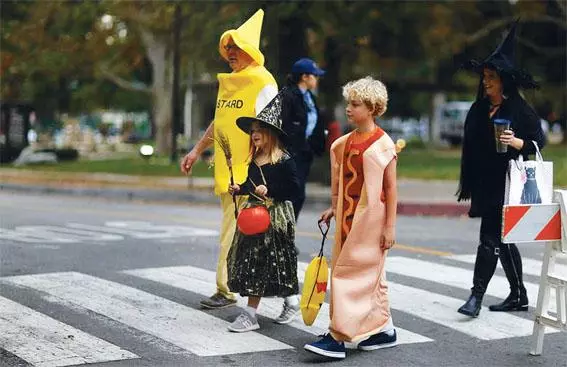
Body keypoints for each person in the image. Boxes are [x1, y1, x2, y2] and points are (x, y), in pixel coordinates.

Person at [180, 9, 278, 310]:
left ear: (250, 49)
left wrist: (265, 172)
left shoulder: (263, 82)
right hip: (227, 172)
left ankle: (238, 290)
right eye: (228, 48)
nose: (230, 53)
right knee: (234, 232)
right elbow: (219, 121)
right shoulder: (231, 82)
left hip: (250, 174)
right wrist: (197, 150)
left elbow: (274, 128)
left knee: (245, 233)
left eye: (235, 47)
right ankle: (240, 289)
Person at [304, 77, 398, 359]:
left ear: (372, 108)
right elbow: (343, 183)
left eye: (355, 104)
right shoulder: (344, 143)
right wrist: (335, 207)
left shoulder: (383, 145)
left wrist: (390, 227)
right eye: (349, 103)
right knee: (371, 276)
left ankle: (338, 336)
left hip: (370, 222)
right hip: (347, 218)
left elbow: (391, 189)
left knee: (347, 273)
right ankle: (384, 329)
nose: (348, 108)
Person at [456, 21, 546, 317]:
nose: (486, 82)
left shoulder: (519, 110)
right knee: (504, 239)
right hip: (487, 183)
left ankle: (475, 297)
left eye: (492, 78)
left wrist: (517, 141)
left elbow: (538, 143)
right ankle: (519, 294)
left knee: (489, 239)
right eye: (484, 77)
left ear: (504, 81)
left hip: (510, 183)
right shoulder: (480, 109)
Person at [226, 91, 300, 332]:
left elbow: (294, 190)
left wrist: (271, 190)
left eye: (259, 130)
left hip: (276, 218)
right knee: (255, 263)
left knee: (270, 263)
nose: (254, 134)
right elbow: (250, 185)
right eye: (253, 130)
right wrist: (239, 189)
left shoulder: (284, 160)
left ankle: (254, 314)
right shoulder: (254, 159)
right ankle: (282, 303)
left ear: (271, 134)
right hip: (254, 216)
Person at [281, 58, 327, 220]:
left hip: (304, 154)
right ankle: (283, 236)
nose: (317, 79)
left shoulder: (310, 98)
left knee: (299, 196)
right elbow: (284, 124)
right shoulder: (287, 96)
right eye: (315, 76)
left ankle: (288, 234)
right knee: (291, 195)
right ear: (305, 77)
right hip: (290, 154)